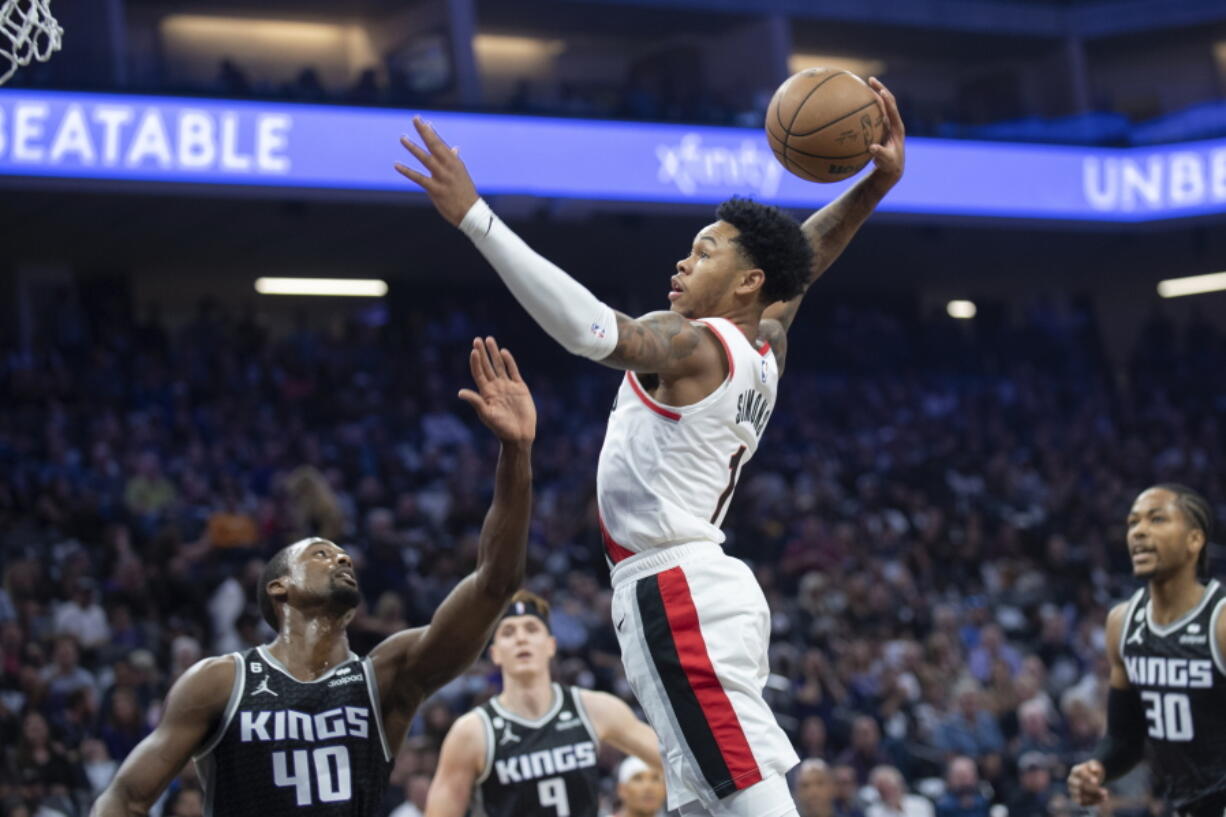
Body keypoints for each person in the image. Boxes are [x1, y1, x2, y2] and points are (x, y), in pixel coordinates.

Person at [396, 79, 905, 817]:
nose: (682, 264)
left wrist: (476, 218)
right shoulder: (764, 340)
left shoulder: (691, 342)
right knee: (705, 803)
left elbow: (595, 332)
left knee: (749, 802)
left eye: (703, 253)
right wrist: (874, 185)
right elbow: (804, 258)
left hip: (676, 592)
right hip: (700, 585)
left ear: (746, 281)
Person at [90, 337, 537, 817]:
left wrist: (515, 452)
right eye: (322, 554)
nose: (342, 560)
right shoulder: (219, 682)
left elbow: (494, 583)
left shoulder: (386, 677)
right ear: (279, 588)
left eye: (344, 556)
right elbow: (126, 798)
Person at [424, 589, 660, 817]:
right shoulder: (472, 732)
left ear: (550, 645)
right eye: (508, 632)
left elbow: (673, 760)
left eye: (531, 628)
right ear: (495, 653)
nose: (521, 638)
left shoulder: (593, 708)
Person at [1068, 484, 1225, 817]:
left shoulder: (1221, 622)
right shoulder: (1122, 622)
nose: (1139, 532)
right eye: (1132, 522)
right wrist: (1098, 767)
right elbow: (1126, 738)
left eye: (1156, 519)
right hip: (1180, 805)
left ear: (1194, 541)